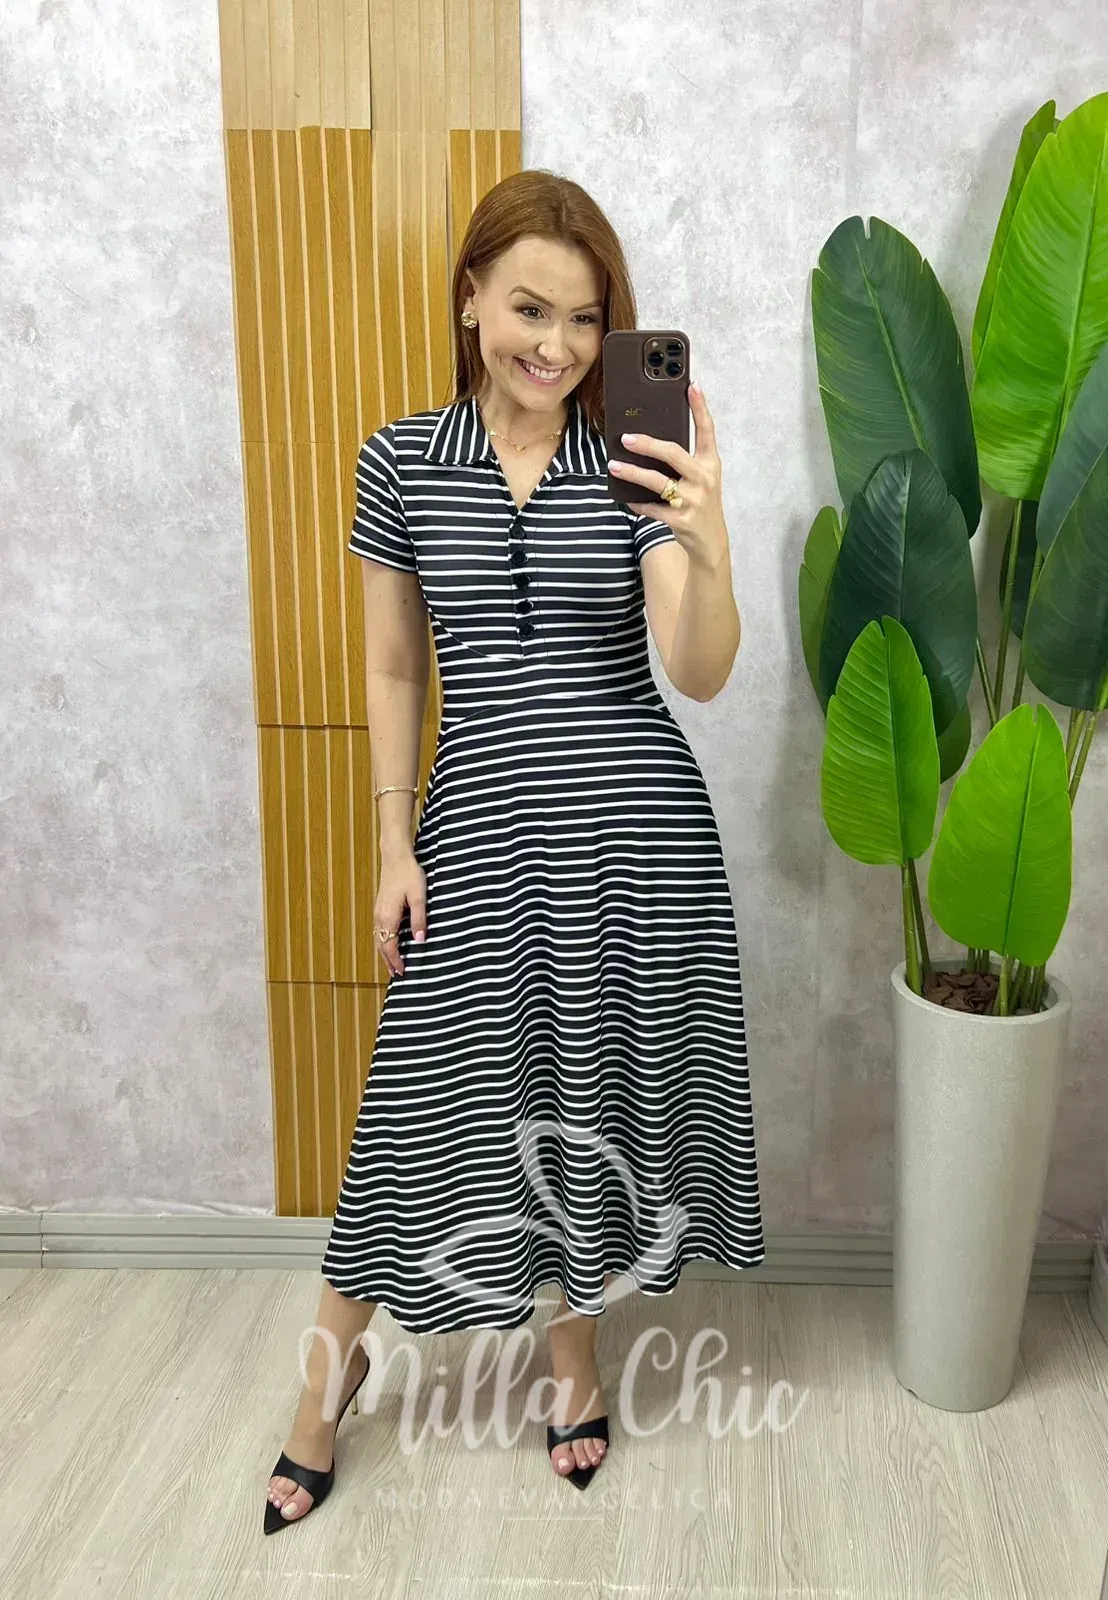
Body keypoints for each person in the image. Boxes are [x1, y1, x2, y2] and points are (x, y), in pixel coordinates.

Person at [264, 168, 765, 1533]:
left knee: (585, 1103)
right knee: (413, 1114)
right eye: (531, 309)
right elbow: (392, 668)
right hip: (475, 830)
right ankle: (325, 1386)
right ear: (470, 297)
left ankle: (573, 1366)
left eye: (587, 319)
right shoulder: (398, 460)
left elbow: (699, 672)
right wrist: (392, 840)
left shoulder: (635, 457)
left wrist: (710, 542)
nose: (557, 345)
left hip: (636, 837)